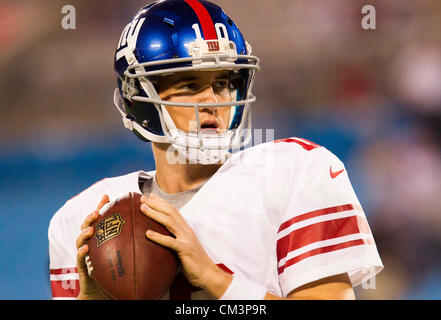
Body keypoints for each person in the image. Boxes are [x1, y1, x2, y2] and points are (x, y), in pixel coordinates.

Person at [48, 0, 383, 300]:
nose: (213, 101)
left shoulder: (293, 175)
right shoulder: (85, 219)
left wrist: (217, 280)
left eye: (222, 83)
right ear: (139, 100)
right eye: (190, 85)